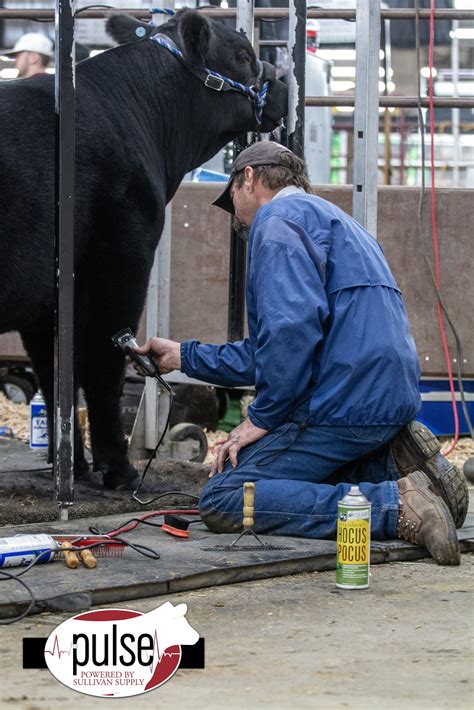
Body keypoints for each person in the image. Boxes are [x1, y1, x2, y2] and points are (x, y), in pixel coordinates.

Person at [135, 141, 467, 566]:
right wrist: (183, 356)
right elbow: (274, 348)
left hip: (342, 403)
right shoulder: (340, 223)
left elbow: (290, 333)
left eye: (231, 195)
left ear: (248, 179)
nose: (233, 212)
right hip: (386, 397)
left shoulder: (276, 222)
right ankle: (385, 467)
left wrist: (262, 418)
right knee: (284, 472)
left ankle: (394, 504)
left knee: (225, 496)